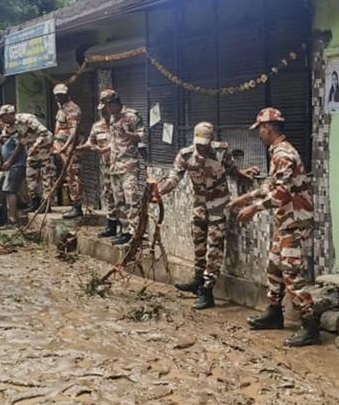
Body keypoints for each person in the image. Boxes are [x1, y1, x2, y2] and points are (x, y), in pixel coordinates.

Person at [229, 108, 318, 348]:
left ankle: (310, 325)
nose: (259, 134)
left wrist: (254, 208)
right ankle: (274, 314)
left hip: (295, 221)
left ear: (267, 128)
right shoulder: (277, 152)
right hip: (285, 222)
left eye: (259, 130)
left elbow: (282, 193)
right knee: (274, 267)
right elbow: (270, 185)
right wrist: (244, 199)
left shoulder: (284, 154)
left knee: (291, 272)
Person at [156, 122, 257, 310]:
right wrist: (159, 191)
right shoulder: (186, 155)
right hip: (200, 206)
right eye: (198, 144)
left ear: (211, 140)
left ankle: (207, 290)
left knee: (214, 248)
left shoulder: (221, 152)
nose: (201, 148)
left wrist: (243, 174)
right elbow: (173, 179)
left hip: (219, 206)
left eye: (204, 144)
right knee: (199, 243)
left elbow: (232, 170)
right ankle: (197, 280)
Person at [99, 90, 146, 245]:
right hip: (115, 165)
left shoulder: (132, 116)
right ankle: (125, 231)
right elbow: (115, 142)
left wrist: (128, 134)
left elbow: (142, 138)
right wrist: (104, 150)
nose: (106, 110)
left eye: (107, 106)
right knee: (119, 201)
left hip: (129, 165)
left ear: (113, 103)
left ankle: (135, 233)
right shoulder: (113, 118)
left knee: (131, 200)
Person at [0, 104, 52, 214]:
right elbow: (2, 139)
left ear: (10, 115)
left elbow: (44, 133)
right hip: (32, 151)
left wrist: (34, 146)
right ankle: (35, 202)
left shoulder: (27, 119)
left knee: (46, 176)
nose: (2, 120)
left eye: (3, 117)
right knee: (30, 176)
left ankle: (46, 204)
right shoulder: (10, 126)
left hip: (44, 148)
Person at [78, 106, 118, 238]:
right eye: (103, 112)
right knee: (109, 195)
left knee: (123, 197)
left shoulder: (119, 124)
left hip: (122, 167)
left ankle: (126, 229)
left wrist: (105, 149)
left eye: (107, 111)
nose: (105, 114)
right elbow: (90, 143)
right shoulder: (97, 127)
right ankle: (112, 226)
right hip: (107, 168)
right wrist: (79, 148)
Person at [52, 83, 85, 219]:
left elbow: (73, 132)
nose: (59, 97)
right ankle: (74, 204)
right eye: (57, 95)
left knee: (73, 176)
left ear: (67, 95)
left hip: (71, 149)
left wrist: (65, 147)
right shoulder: (62, 109)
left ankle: (77, 206)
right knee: (68, 175)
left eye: (61, 95)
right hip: (62, 149)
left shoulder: (72, 109)